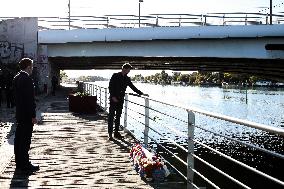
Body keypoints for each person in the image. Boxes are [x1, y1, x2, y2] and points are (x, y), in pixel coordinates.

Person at [108, 63, 148, 140]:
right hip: (113, 99)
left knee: (118, 116)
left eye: (129, 70)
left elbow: (133, 87)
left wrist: (141, 93)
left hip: (121, 99)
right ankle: (110, 134)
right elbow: (110, 86)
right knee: (111, 116)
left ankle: (116, 132)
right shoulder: (115, 75)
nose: (129, 71)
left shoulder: (127, 78)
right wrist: (113, 96)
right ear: (124, 69)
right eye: (128, 70)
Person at [13, 58, 39, 172]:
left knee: (18, 140)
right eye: (32, 66)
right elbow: (29, 100)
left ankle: (19, 163)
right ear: (28, 66)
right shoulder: (27, 79)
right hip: (27, 115)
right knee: (25, 141)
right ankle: (25, 164)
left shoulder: (16, 77)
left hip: (19, 114)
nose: (32, 68)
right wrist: (33, 116)